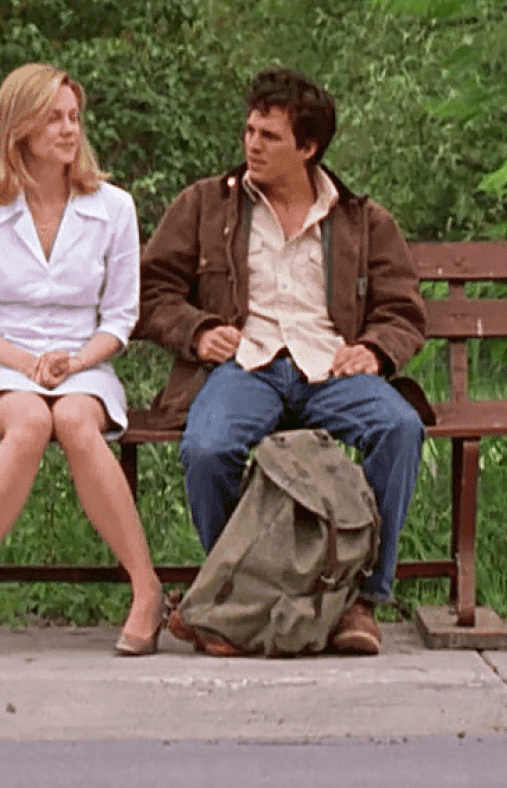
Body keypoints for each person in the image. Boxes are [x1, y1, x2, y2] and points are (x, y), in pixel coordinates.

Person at [136, 67, 428, 656]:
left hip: (329, 366)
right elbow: (149, 291)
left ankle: (361, 599)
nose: (252, 144)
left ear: (308, 147)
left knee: (399, 427)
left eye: (269, 136)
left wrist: (374, 349)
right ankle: (238, 600)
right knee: (208, 448)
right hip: (246, 364)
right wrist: (197, 332)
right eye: (249, 130)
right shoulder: (206, 204)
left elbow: (402, 309)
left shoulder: (361, 219)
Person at [0, 63, 165, 658]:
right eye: (53, 119)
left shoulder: (114, 207)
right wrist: (25, 362)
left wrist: (75, 360)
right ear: (19, 129)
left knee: (73, 419)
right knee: (32, 421)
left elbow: (121, 317)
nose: (69, 130)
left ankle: (147, 590)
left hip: (83, 362)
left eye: (73, 118)